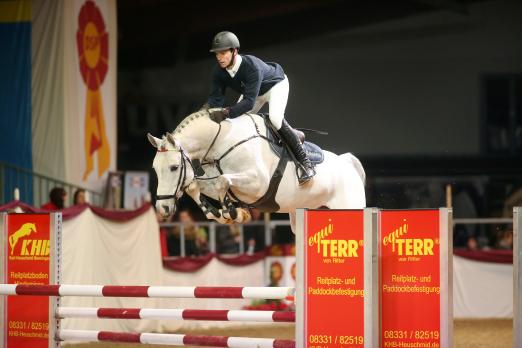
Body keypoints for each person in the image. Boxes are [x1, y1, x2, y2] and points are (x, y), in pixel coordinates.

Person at [206, 31, 315, 185]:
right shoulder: (218, 72)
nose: (219, 57)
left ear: (234, 51)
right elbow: (215, 99)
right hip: (254, 93)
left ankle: (305, 163)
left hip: (275, 85)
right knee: (234, 123)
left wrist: (225, 112)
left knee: (275, 119)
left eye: (223, 53)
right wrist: (208, 114)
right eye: (217, 53)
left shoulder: (251, 65)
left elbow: (249, 103)